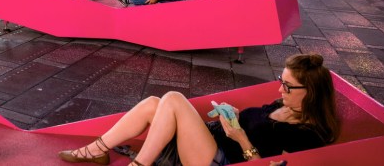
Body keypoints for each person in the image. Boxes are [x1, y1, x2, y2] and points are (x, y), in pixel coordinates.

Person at [58, 53, 339, 165]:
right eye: (281, 81)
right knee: (156, 103)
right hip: (211, 142)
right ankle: (96, 151)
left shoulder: (309, 135)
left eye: (288, 86)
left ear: (310, 92)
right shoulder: (282, 104)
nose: (280, 90)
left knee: (173, 99)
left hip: (221, 160)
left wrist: (241, 139)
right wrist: (235, 114)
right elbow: (256, 124)